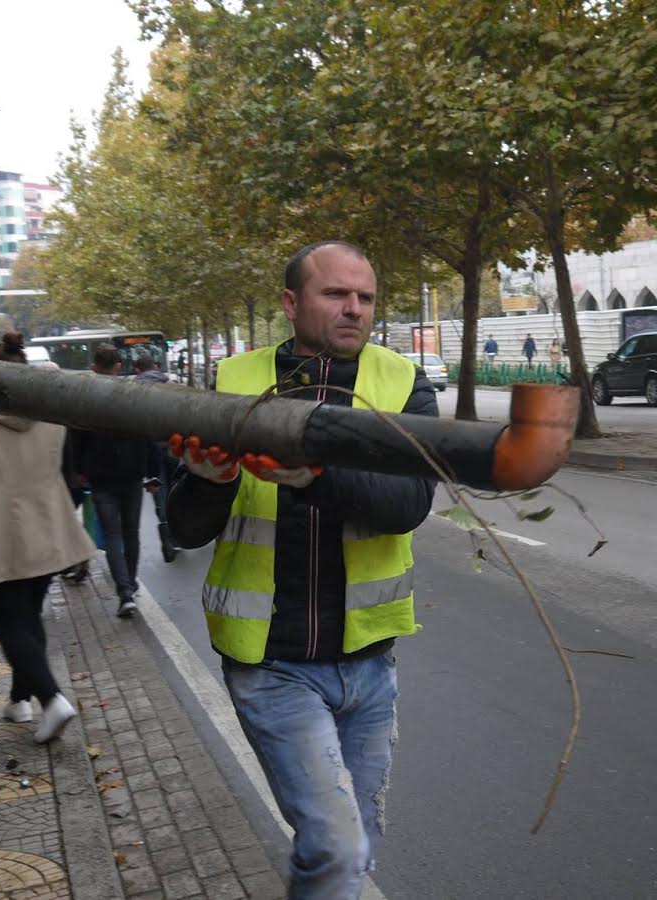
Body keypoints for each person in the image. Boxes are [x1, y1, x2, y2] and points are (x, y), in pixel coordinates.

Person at [165, 241, 437, 898]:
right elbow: (184, 529)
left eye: (365, 297)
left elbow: (407, 505)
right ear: (291, 303)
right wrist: (207, 481)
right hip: (271, 663)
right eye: (335, 294)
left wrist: (314, 476)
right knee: (337, 849)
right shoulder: (232, 382)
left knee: (353, 848)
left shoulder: (403, 382)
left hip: (369, 666)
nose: (354, 309)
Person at [0, 332, 95, 743]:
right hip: (48, 529)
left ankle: (51, 698)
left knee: (9, 622)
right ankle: (19, 700)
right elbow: (68, 474)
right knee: (28, 616)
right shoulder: (50, 417)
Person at [66, 344, 165, 618]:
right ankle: (129, 584)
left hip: (101, 477)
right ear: (119, 367)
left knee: (112, 535)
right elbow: (148, 434)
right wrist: (153, 472)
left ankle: (124, 592)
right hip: (132, 474)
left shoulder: (86, 398)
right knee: (131, 532)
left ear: (94, 367)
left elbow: (76, 437)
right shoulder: (133, 396)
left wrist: (78, 470)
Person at [133, 356, 181, 563]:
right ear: (154, 367)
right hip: (172, 446)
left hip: (148, 449)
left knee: (159, 491)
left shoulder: (131, 390)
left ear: (137, 369)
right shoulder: (170, 385)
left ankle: (166, 535)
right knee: (176, 488)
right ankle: (177, 533)